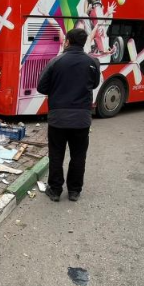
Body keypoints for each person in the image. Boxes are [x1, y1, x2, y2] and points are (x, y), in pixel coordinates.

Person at [38, 28, 100, 202]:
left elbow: (41, 87)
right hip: (81, 119)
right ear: (83, 42)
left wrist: (58, 88)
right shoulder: (92, 62)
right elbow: (94, 84)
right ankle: (74, 191)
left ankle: (55, 190)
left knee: (56, 155)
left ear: (67, 41)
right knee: (78, 156)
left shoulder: (56, 62)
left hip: (58, 119)